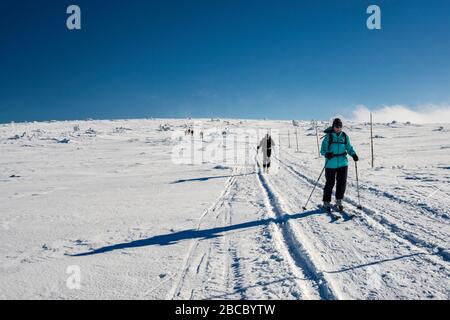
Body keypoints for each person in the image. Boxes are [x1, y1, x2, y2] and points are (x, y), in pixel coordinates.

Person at [320, 118, 358, 211]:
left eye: (340, 126)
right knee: (330, 183)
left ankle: (339, 200)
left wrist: (353, 154)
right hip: (330, 164)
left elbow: (348, 147)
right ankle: (326, 201)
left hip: (343, 163)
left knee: (342, 183)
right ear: (333, 126)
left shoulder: (344, 136)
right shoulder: (328, 137)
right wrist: (327, 154)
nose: (338, 128)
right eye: (337, 126)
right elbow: (322, 150)